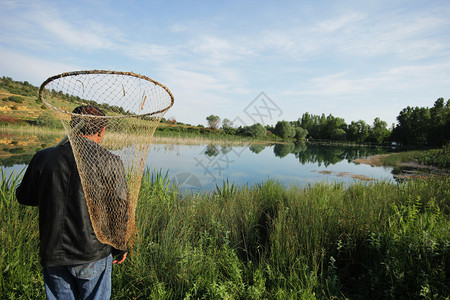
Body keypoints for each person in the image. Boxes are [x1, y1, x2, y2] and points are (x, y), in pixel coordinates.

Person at [16, 105, 128, 300]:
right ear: (101, 131)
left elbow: (25, 197)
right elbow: (118, 209)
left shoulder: (43, 157)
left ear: (73, 126)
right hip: (93, 254)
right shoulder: (110, 161)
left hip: (52, 253)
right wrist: (121, 246)